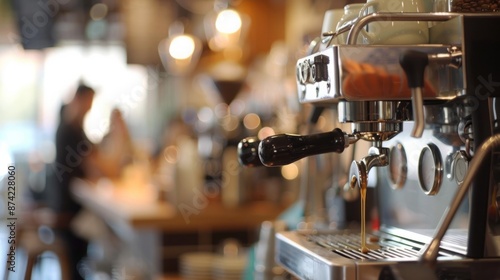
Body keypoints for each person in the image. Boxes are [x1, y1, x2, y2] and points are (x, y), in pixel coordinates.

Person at [49, 84, 100, 280]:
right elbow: (92, 164)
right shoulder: (71, 128)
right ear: (79, 99)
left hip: (64, 202)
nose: (90, 107)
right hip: (68, 209)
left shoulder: (68, 125)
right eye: (88, 101)